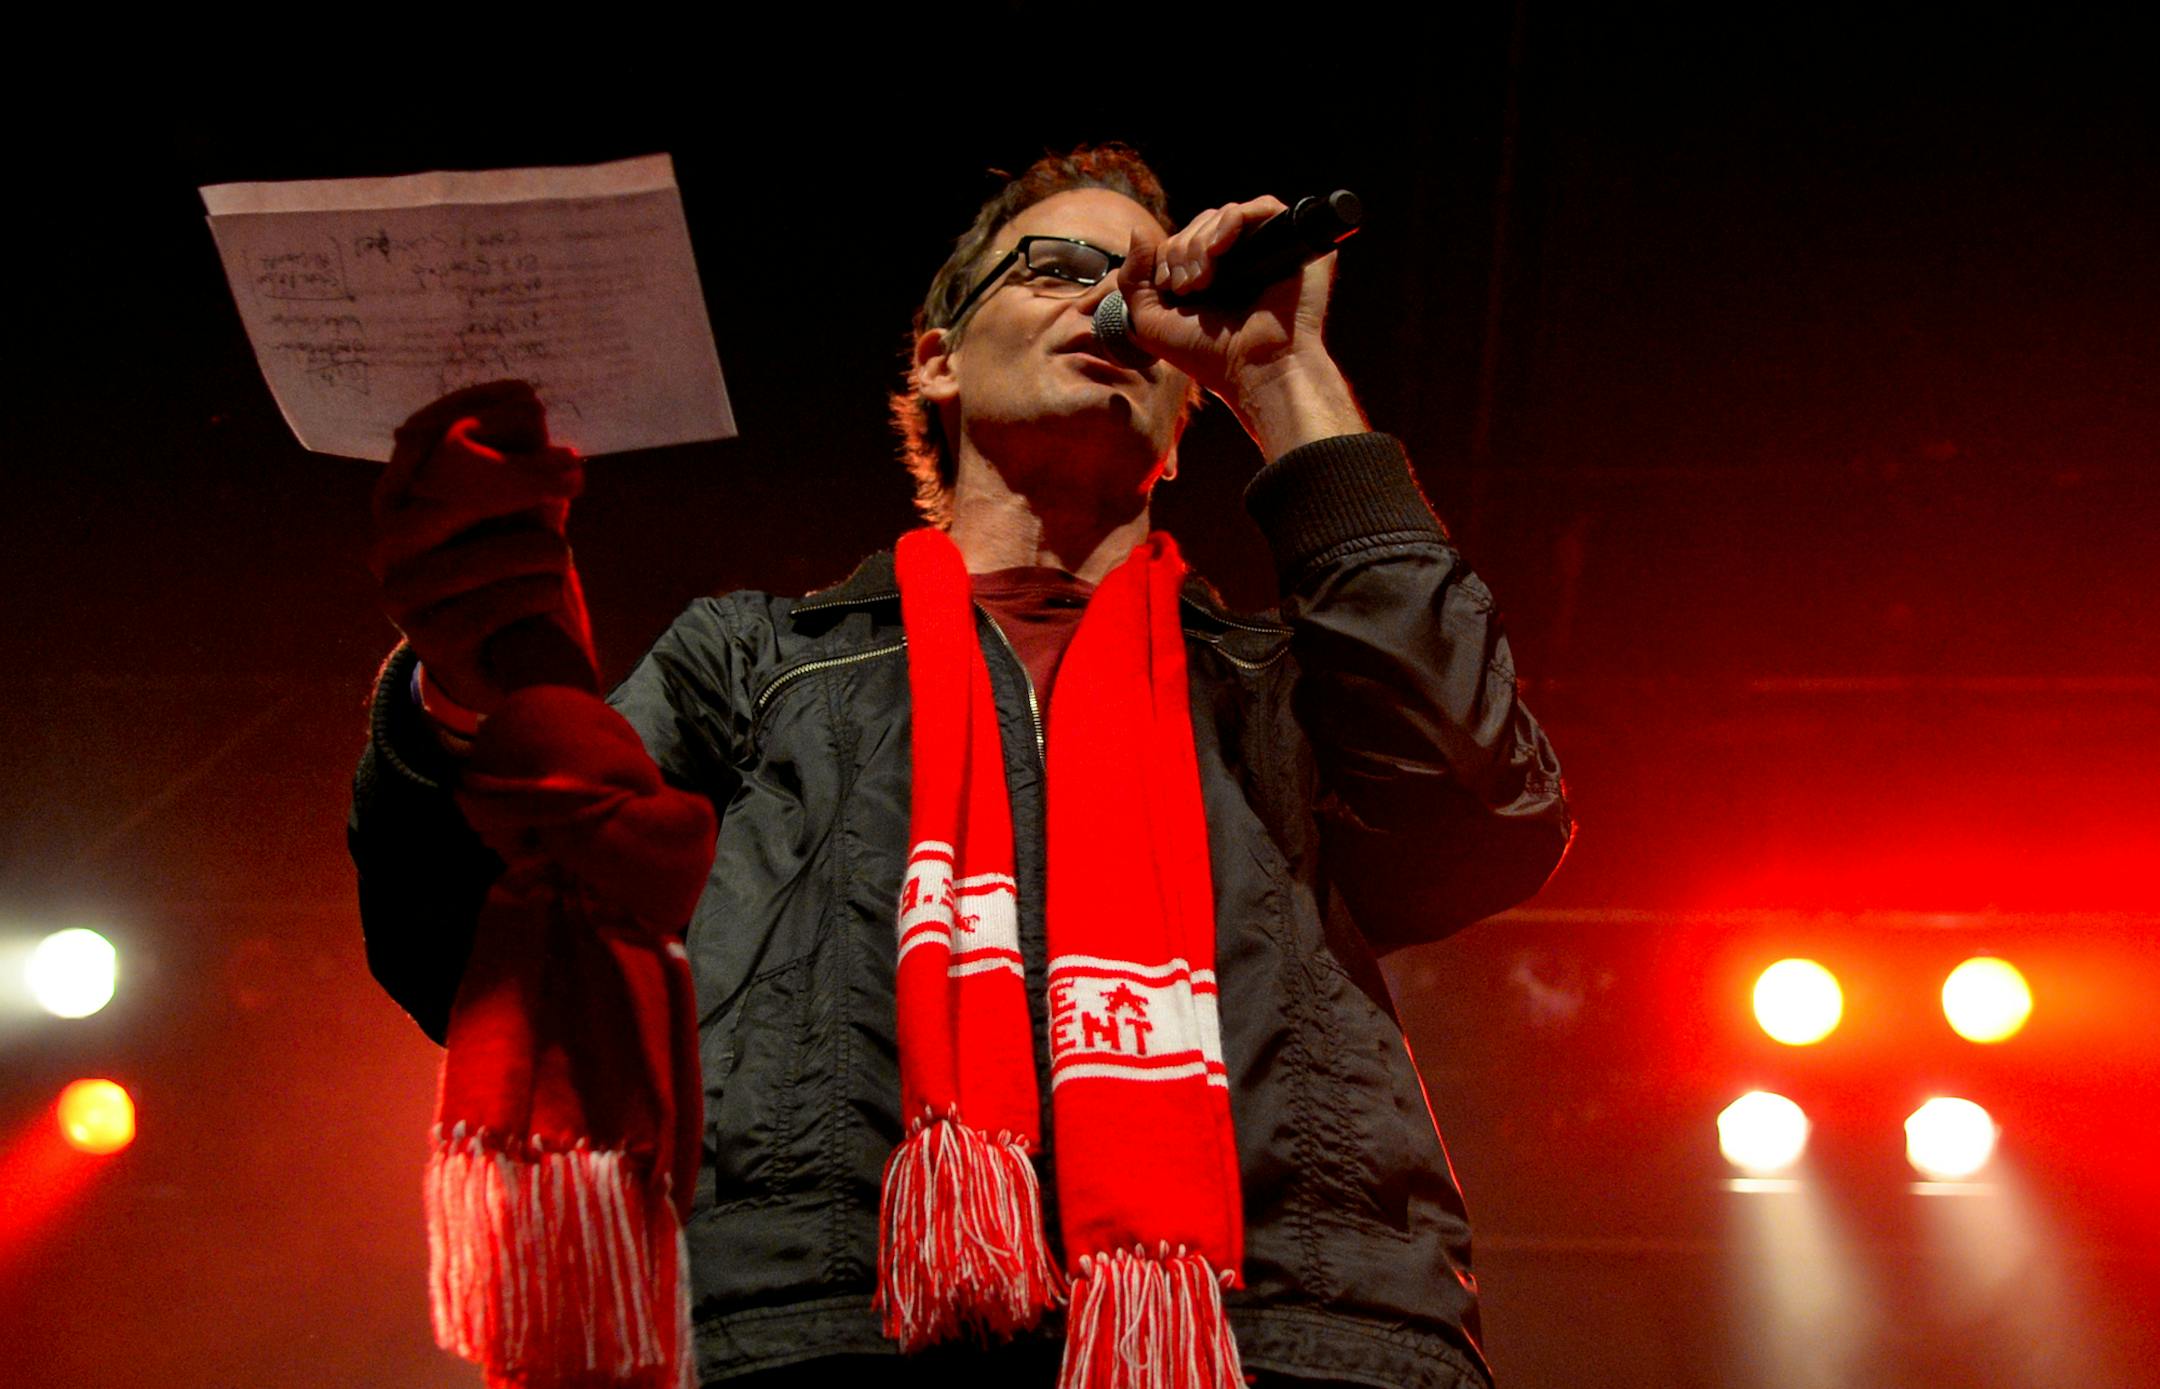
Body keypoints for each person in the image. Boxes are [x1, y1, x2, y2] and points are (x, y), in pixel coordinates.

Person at [351, 144, 1572, 1389]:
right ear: (937, 356)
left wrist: (1285, 372)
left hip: (1284, 1333)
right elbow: (497, 921)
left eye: (1152, 287)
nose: (1115, 305)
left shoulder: (1282, 681)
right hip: (828, 1319)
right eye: (1059, 268)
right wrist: (465, 684)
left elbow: (1475, 808)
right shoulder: (759, 659)